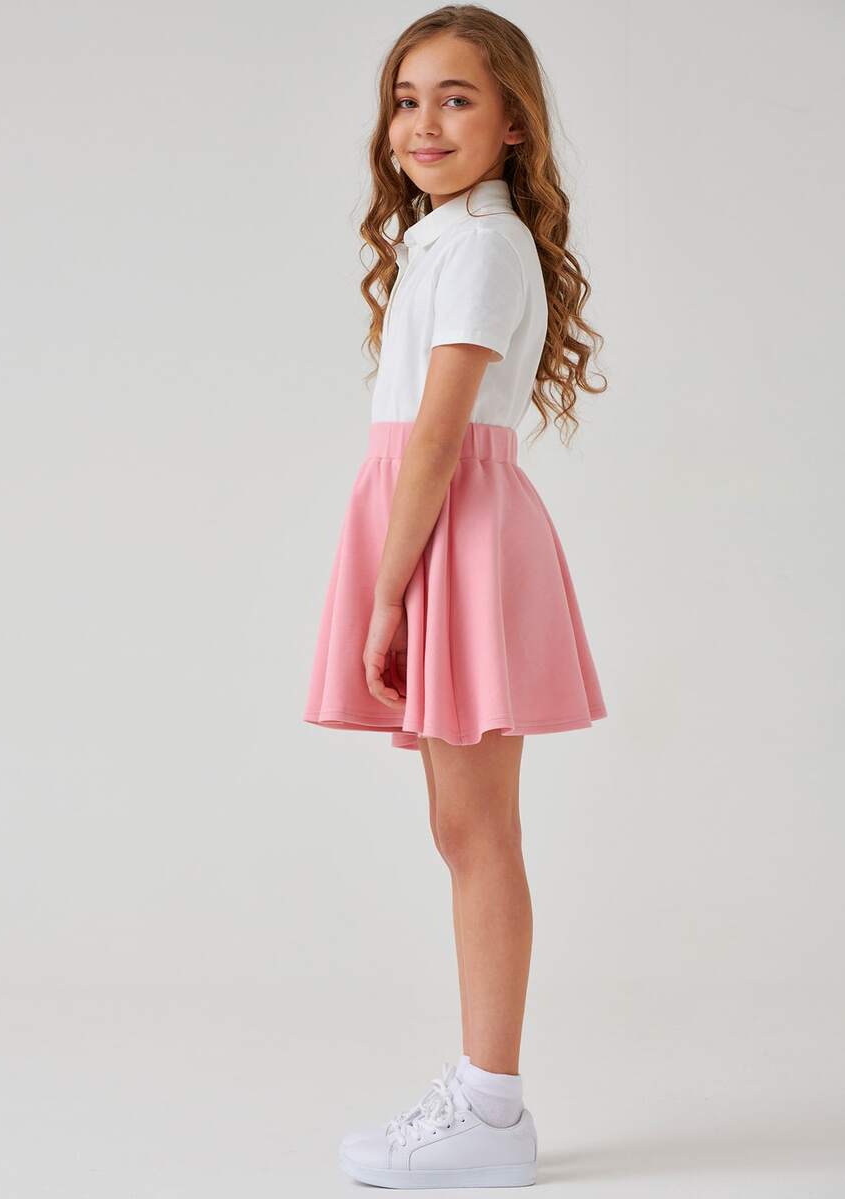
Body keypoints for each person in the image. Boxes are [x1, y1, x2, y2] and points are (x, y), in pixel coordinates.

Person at [303, 5, 608, 1188]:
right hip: (433, 524)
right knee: (460, 827)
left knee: (480, 831)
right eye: (406, 99)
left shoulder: (483, 244)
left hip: (452, 533)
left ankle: (491, 1106)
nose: (422, 123)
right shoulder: (445, 237)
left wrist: (386, 594)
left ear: (515, 124)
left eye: (457, 98)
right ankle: (484, 1096)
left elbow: (436, 436)